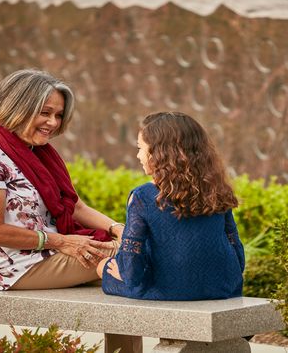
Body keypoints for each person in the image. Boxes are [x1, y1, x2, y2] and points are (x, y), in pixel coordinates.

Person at [0, 69, 124, 291]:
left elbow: (75, 208)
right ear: (18, 108)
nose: (53, 123)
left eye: (59, 115)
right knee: (134, 255)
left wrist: (118, 229)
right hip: (10, 265)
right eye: (45, 113)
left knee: (132, 255)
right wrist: (63, 242)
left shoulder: (38, 153)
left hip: (48, 250)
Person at [97, 111, 245, 300]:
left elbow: (131, 269)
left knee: (102, 267)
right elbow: (236, 250)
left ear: (159, 154)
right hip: (224, 287)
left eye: (141, 148)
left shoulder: (143, 196)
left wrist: (121, 273)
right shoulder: (216, 188)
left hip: (170, 289)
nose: (138, 155)